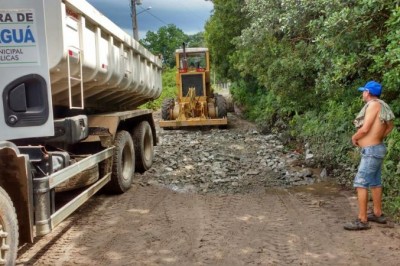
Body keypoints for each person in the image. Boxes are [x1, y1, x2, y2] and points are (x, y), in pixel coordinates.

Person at [344, 81, 395, 230]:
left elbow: (365, 128)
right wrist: (379, 137)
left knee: (360, 183)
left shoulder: (373, 105)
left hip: (372, 151)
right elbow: (390, 125)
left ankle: (362, 220)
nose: (362, 94)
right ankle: (377, 213)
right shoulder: (382, 105)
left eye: (363, 91)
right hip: (376, 148)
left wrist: (355, 137)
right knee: (375, 182)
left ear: (367, 92)